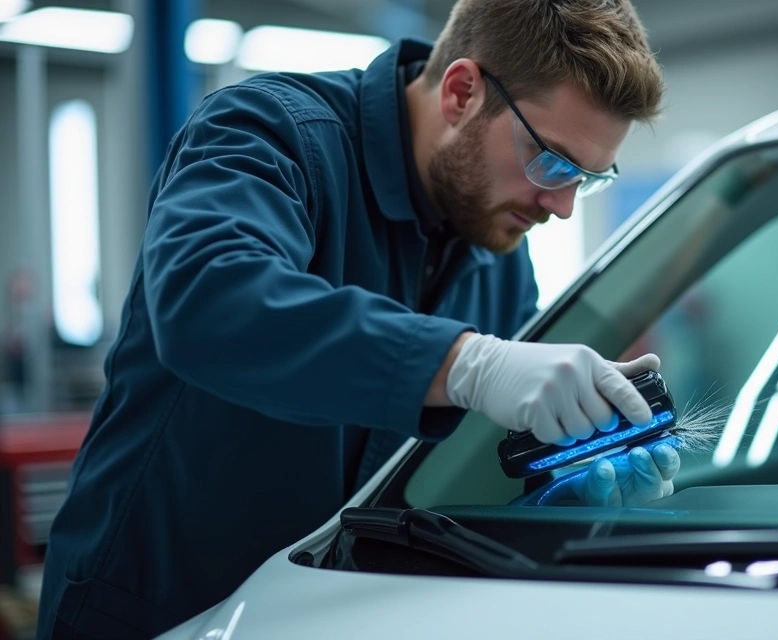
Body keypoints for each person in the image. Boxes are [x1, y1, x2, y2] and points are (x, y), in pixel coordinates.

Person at [38, 1, 681, 637]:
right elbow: (207, 297)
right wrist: (464, 363)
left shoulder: (499, 254)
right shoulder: (269, 132)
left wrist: (556, 496)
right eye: (553, 162)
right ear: (461, 92)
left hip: (339, 615)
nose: (563, 207)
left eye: (588, 179)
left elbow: (455, 467)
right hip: (160, 614)